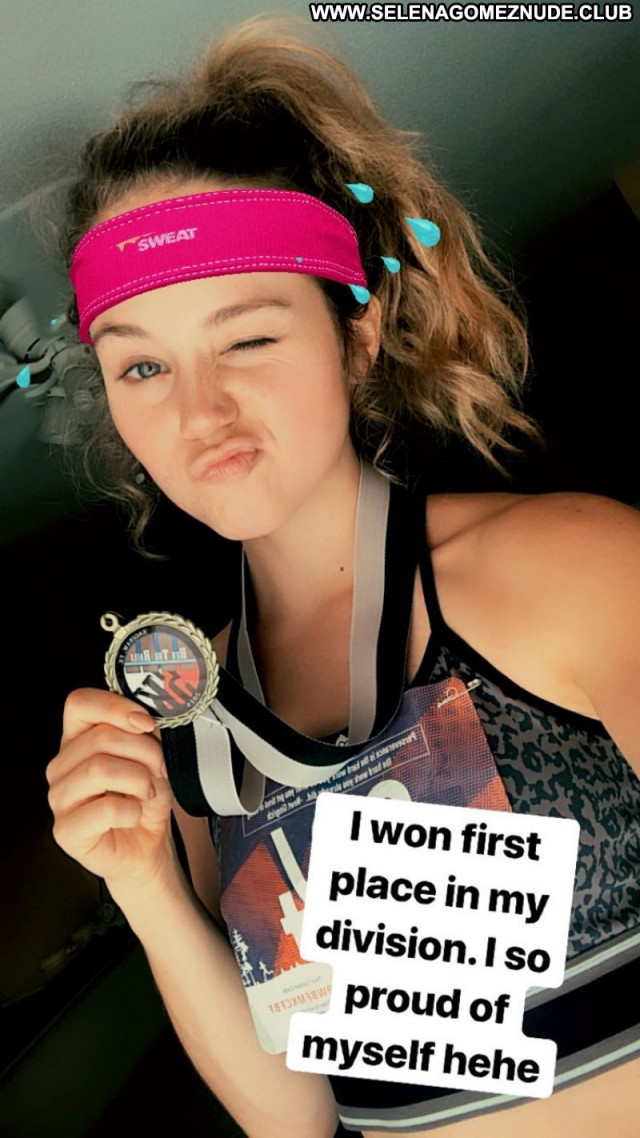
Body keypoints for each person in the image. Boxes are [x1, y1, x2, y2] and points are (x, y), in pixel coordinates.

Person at [44, 15, 640, 1138]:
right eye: (143, 365)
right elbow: (299, 1117)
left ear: (356, 334)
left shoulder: (573, 564)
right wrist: (142, 879)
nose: (200, 411)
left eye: (248, 338)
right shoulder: (195, 726)